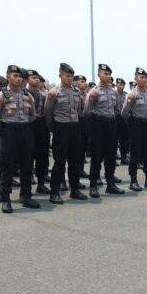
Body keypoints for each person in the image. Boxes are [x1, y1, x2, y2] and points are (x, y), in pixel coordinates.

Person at [0, 65, 40, 213]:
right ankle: (5, 198)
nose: (18, 78)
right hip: (8, 133)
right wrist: (6, 126)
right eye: (14, 76)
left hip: (24, 132)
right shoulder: (1, 96)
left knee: (26, 166)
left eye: (20, 76)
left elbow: (33, 115)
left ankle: (26, 195)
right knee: (7, 167)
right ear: (8, 77)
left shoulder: (28, 95)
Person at [43, 63, 87, 203]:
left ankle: (74, 189)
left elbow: (79, 110)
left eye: (71, 76)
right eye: (67, 76)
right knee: (59, 162)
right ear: (60, 75)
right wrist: (53, 128)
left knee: (75, 161)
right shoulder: (54, 92)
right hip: (61, 129)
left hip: (74, 128)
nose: (70, 78)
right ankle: (54, 192)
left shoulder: (76, 91)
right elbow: (47, 112)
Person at [83, 64, 124, 197]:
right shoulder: (94, 92)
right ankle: (93, 185)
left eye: (109, 74)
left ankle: (110, 183)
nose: (108, 76)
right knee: (96, 155)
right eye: (105, 74)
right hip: (98, 125)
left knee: (111, 155)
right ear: (99, 75)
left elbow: (117, 109)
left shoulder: (113, 92)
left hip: (111, 124)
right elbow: (87, 112)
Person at [121, 68, 147, 191]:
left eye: (145, 77)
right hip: (136, 125)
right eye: (141, 77)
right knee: (135, 153)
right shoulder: (132, 94)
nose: (143, 79)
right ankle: (133, 181)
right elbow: (124, 113)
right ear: (135, 78)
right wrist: (132, 123)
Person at [27, 69, 50, 194]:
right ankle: (28, 182)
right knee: (28, 156)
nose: (36, 80)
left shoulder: (43, 94)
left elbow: (47, 112)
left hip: (41, 125)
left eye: (37, 78)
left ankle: (41, 183)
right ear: (27, 80)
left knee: (42, 155)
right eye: (33, 78)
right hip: (28, 126)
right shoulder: (24, 93)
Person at [115, 78, 129, 165]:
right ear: (116, 85)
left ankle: (124, 157)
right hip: (115, 118)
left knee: (124, 139)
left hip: (123, 118)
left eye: (123, 85)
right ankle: (113, 158)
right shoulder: (113, 94)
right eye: (120, 84)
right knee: (114, 139)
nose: (122, 86)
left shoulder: (126, 95)